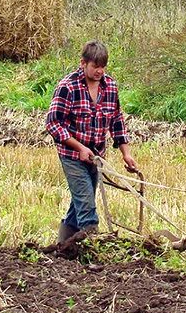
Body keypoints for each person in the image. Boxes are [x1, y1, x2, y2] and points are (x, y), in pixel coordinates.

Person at [45, 40, 138, 243]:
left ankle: (64, 247)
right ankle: (94, 246)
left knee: (80, 201)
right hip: (72, 155)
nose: (99, 71)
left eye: (102, 66)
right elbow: (53, 124)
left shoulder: (110, 86)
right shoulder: (67, 87)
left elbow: (116, 120)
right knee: (86, 204)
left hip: (96, 155)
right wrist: (79, 147)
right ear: (83, 63)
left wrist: (126, 153)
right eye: (95, 66)